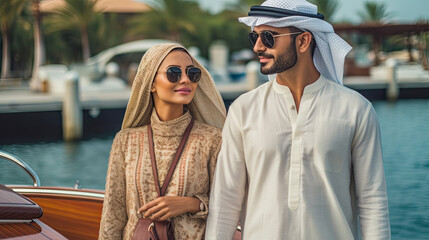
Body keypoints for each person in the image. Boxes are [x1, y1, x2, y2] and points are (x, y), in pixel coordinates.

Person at [205, 0, 390, 239]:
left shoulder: (356, 110)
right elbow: (225, 200)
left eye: (269, 37)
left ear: (303, 41)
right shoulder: (243, 110)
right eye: (255, 38)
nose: (258, 47)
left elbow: (372, 202)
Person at [99, 43, 226, 239]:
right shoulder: (125, 142)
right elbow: (113, 216)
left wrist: (192, 204)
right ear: (151, 83)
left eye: (192, 73)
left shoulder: (213, 140)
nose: (185, 80)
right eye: (173, 73)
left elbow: (232, 204)